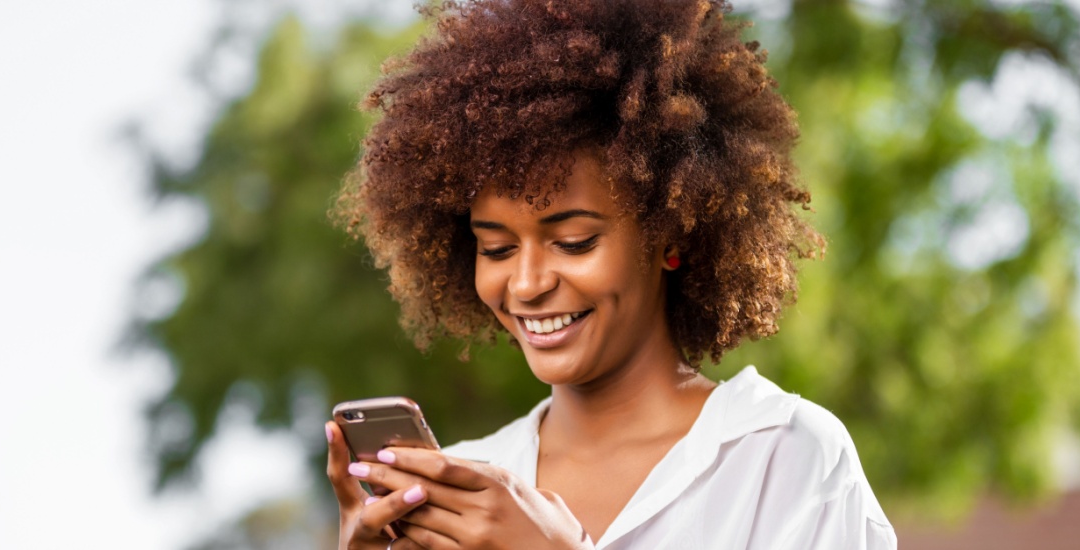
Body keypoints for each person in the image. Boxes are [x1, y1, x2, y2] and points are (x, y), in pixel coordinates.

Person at [325, 0, 896, 548]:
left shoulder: (784, 456)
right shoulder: (467, 484)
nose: (526, 285)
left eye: (574, 242)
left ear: (670, 234)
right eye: (496, 249)